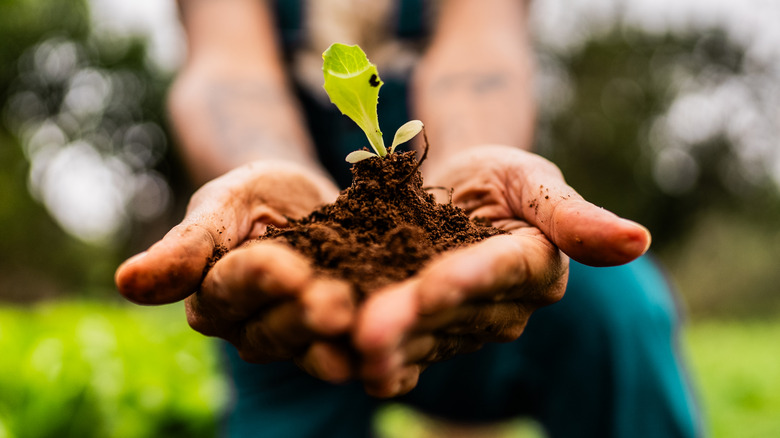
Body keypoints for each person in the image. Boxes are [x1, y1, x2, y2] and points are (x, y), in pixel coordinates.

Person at [116, 0, 701, 436]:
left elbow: (480, 56)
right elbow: (228, 69)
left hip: (446, 183)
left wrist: (467, 167)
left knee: (618, 315)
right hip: (279, 253)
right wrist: (263, 172)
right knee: (277, 326)